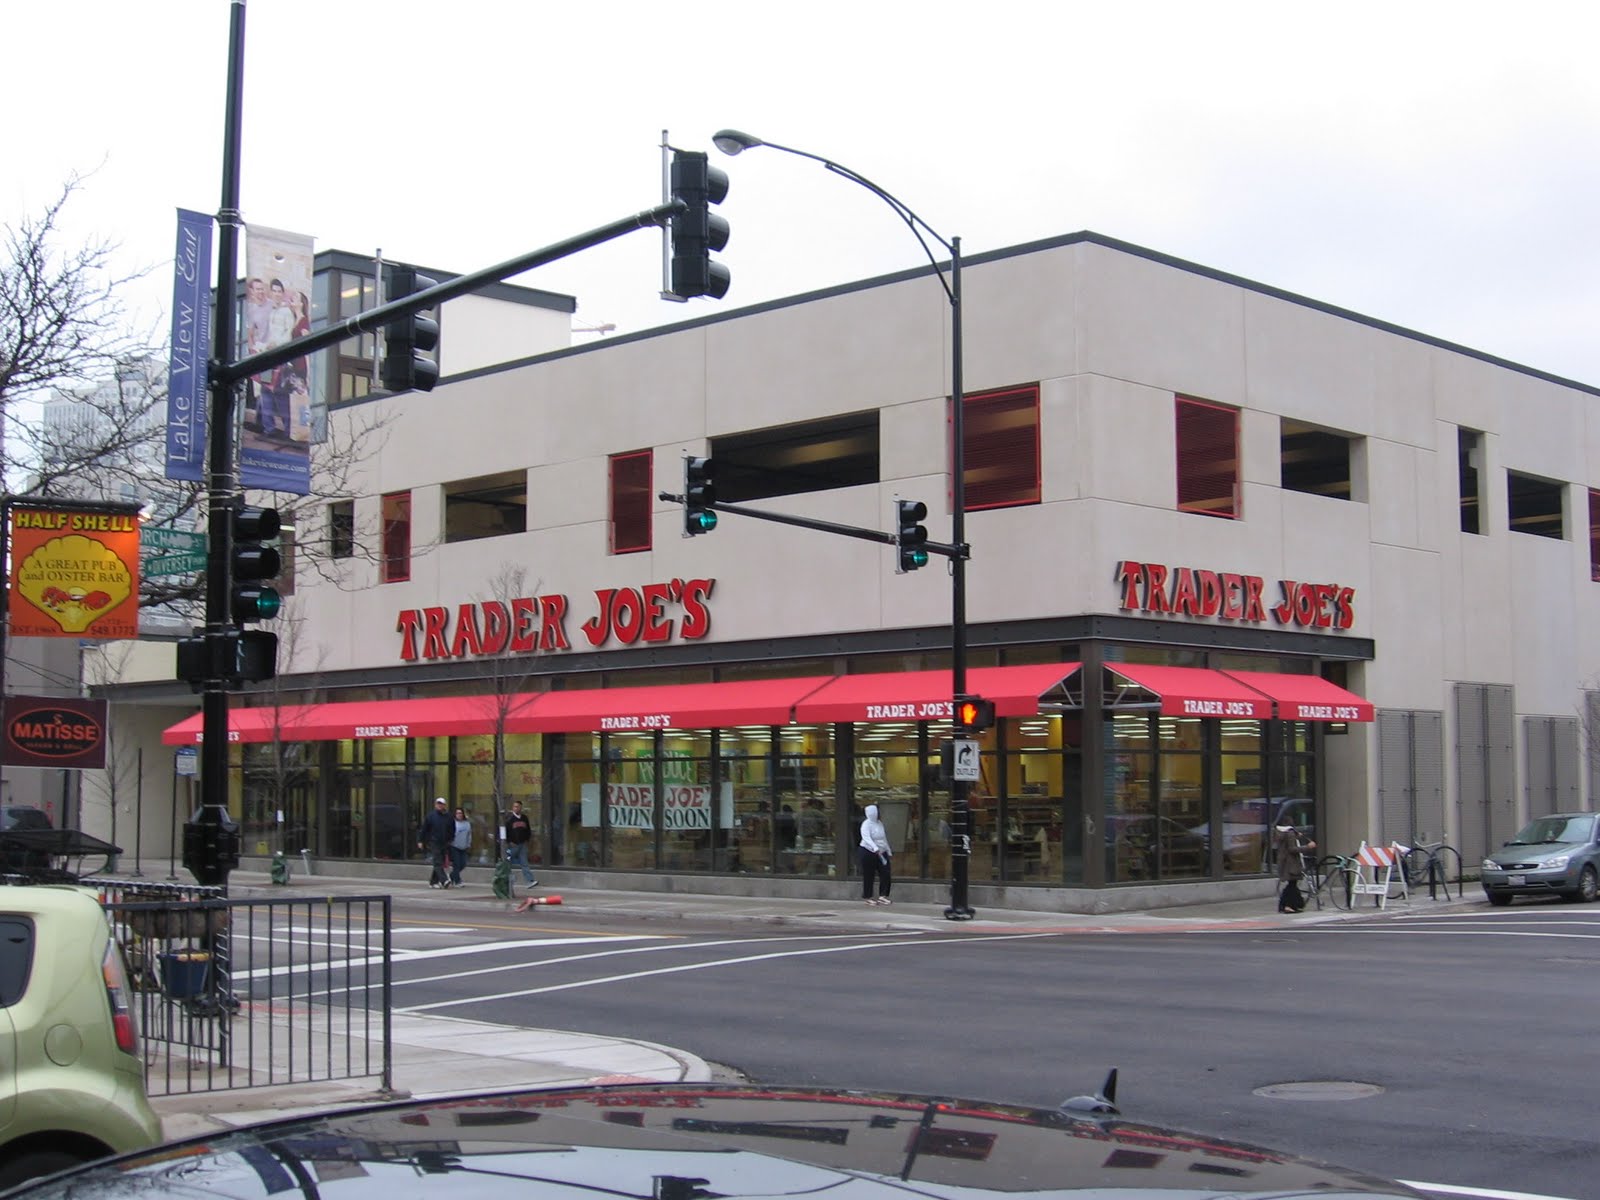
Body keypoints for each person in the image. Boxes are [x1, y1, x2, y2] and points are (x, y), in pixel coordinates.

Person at [1274, 823, 1316, 912]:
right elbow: (1292, 849)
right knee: (1292, 884)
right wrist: (1307, 847)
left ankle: (1291, 905)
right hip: (1291, 863)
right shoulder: (1290, 833)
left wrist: (1296, 835)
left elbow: (1287, 845)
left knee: (1292, 884)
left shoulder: (1282, 833)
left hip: (1285, 862)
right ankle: (1288, 905)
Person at [859, 803, 893, 905]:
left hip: (881, 851)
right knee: (869, 874)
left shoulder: (879, 823)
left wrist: (888, 849)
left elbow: (883, 838)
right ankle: (868, 896)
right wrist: (874, 848)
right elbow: (866, 837)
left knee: (886, 872)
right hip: (868, 851)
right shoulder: (866, 824)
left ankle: (883, 895)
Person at [418, 797, 454, 889]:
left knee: (440, 862)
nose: (439, 805)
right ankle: (444, 880)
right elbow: (424, 829)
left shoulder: (449, 816)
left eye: (441, 804)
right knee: (437, 861)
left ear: (444, 805)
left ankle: (433, 882)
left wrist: (450, 839)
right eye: (438, 804)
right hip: (434, 841)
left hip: (444, 842)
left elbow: (452, 829)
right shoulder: (431, 816)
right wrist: (420, 840)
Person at [503, 799, 538, 887]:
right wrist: (509, 842)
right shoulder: (509, 819)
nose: (516, 808)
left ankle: (530, 881)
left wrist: (527, 840)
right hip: (513, 845)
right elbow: (505, 831)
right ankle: (506, 880)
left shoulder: (524, 818)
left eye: (518, 807)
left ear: (521, 808)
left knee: (524, 863)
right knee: (507, 862)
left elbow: (528, 830)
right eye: (514, 807)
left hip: (522, 845)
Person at [448, 808, 472, 886]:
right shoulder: (453, 823)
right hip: (454, 846)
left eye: (461, 813)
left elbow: (469, 835)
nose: (459, 815)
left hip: (464, 846)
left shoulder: (467, 824)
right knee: (456, 864)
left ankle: (452, 876)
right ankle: (457, 881)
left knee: (463, 864)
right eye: (458, 813)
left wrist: (468, 844)